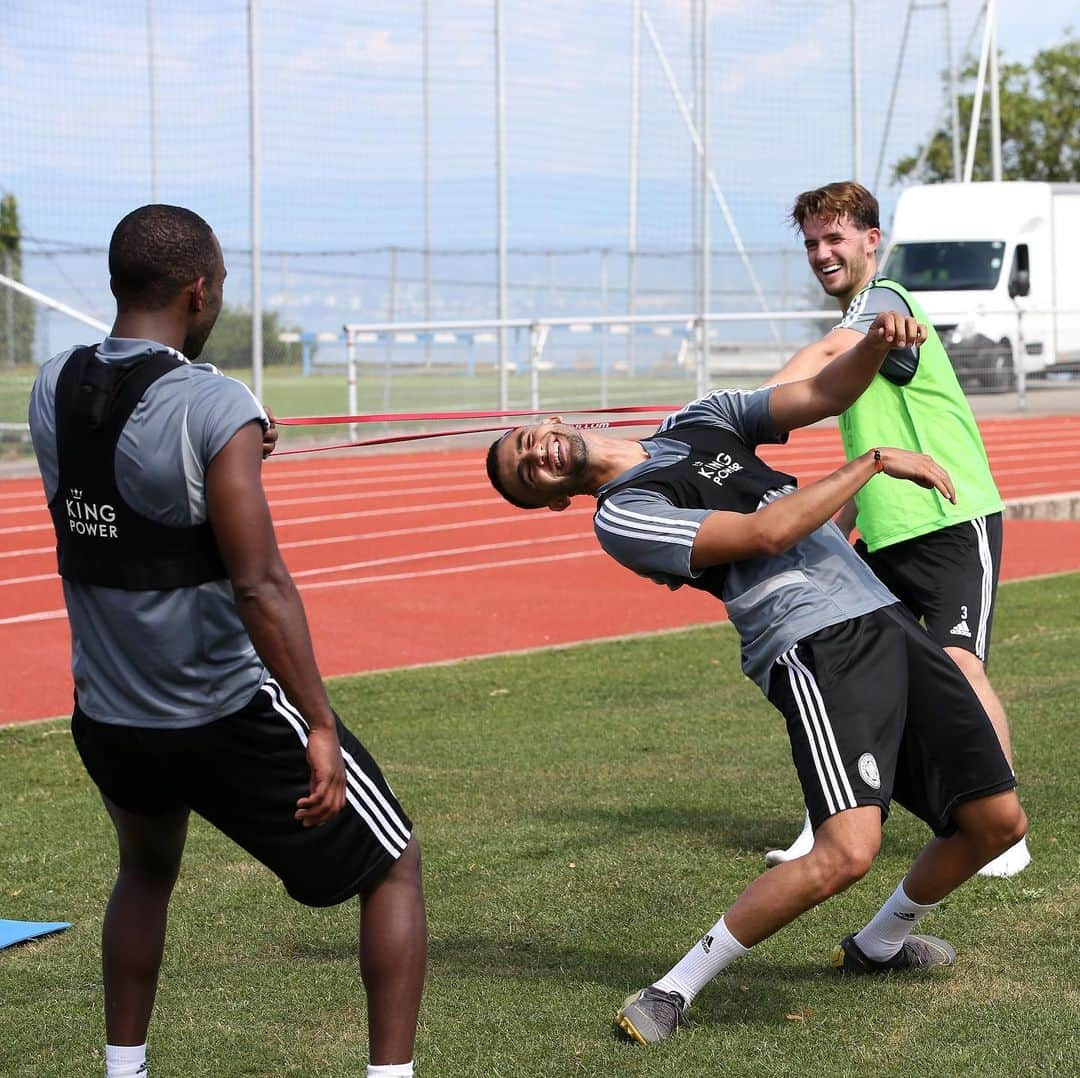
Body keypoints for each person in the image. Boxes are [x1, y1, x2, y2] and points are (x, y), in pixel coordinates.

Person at [485, 310, 1027, 1046]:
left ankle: (878, 944)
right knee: (847, 851)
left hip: (882, 613)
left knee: (997, 824)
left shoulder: (698, 420)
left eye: (527, 441)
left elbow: (822, 394)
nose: (537, 455)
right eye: (528, 473)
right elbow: (764, 534)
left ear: (549, 418)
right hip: (813, 640)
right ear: (549, 498)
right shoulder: (625, 516)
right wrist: (867, 465)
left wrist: (874, 344)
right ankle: (672, 988)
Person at [27, 205, 426, 1078]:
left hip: (109, 717)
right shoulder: (215, 402)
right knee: (393, 862)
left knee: (145, 872)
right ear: (199, 291)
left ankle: (122, 1070)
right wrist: (318, 723)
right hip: (221, 713)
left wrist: (235, 450)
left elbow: (130, 502)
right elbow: (260, 582)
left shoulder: (49, 384)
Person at [762, 181, 1029, 878]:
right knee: (841, 668)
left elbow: (822, 357)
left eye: (835, 238)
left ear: (871, 241)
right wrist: (824, 527)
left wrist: (746, 413)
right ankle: (829, 820)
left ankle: (1004, 829)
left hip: (949, 518)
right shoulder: (863, 333)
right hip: (882, 537)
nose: (823, 252)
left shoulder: (888, 305)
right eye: (812, 242)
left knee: (958, 665)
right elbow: (868, 452)